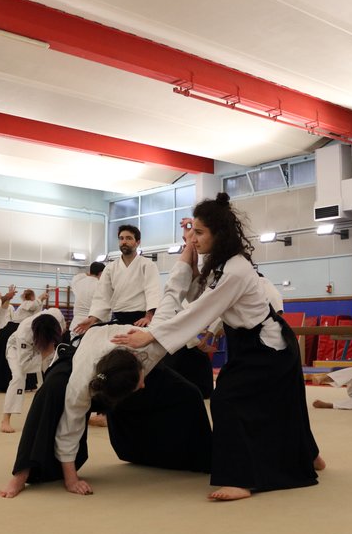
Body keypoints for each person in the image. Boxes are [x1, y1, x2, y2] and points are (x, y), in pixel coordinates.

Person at [112, 193, 323, 501]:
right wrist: (188, 257)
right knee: (283, 402)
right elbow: (195, 295)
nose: (193, 238)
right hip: (250, 344)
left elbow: (201, 310)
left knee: (226, 399)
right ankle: (311, 457)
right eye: (192, 232)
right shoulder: (220, 265)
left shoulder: (235, 269)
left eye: (199, 232)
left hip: (268, 347)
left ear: (219, 234)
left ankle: (241, 479)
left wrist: (153, 335)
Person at [0, 318, 211, 497]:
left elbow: (182, 323)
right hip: (83, 357)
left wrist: (197, 338)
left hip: (137, 346)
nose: (143, 386)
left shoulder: (151, 346)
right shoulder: (81, 383)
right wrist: (71, 480)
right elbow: (69, 428)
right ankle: (21, 474)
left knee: (189, 393)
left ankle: (199, 458)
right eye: (139, 385)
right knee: (51, 390)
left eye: (139, 382)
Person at [73, 225, 160, 334]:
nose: (124, 242)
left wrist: (149, 317)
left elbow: (152, 291)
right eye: (121, 238)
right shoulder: (110, 268)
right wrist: (92, 319)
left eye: (129, 238)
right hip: (118, 318)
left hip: (141, 320)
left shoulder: (147, 265)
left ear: (138, 242)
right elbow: (102, 296)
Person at [0, 308, 66, 433]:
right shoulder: (24, 332)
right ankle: (5, 420)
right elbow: (25, 365)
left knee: (53, 376)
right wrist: (45, 354)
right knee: (19, 377)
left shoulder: (55, 315)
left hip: (45, 348)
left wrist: (50, 348)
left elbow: (63, 327)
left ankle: (57, 413)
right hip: (16, 349)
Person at [0, 289, 45, 393]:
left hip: (18, 329)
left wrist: (41, 300)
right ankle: (9, 382)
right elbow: (33, 307)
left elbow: (36, 312)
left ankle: (26, 383)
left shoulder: (31, 305)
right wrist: (40, 298)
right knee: (17, 356)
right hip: (14, 329)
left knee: (23, 355)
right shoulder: (26, 304)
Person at [69, 262, 105, 331]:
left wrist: (90, 274)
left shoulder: (78, 282)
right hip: (93, 325)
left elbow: (77, 276)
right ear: (101, 273)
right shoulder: (101, 286)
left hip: (76, 325)